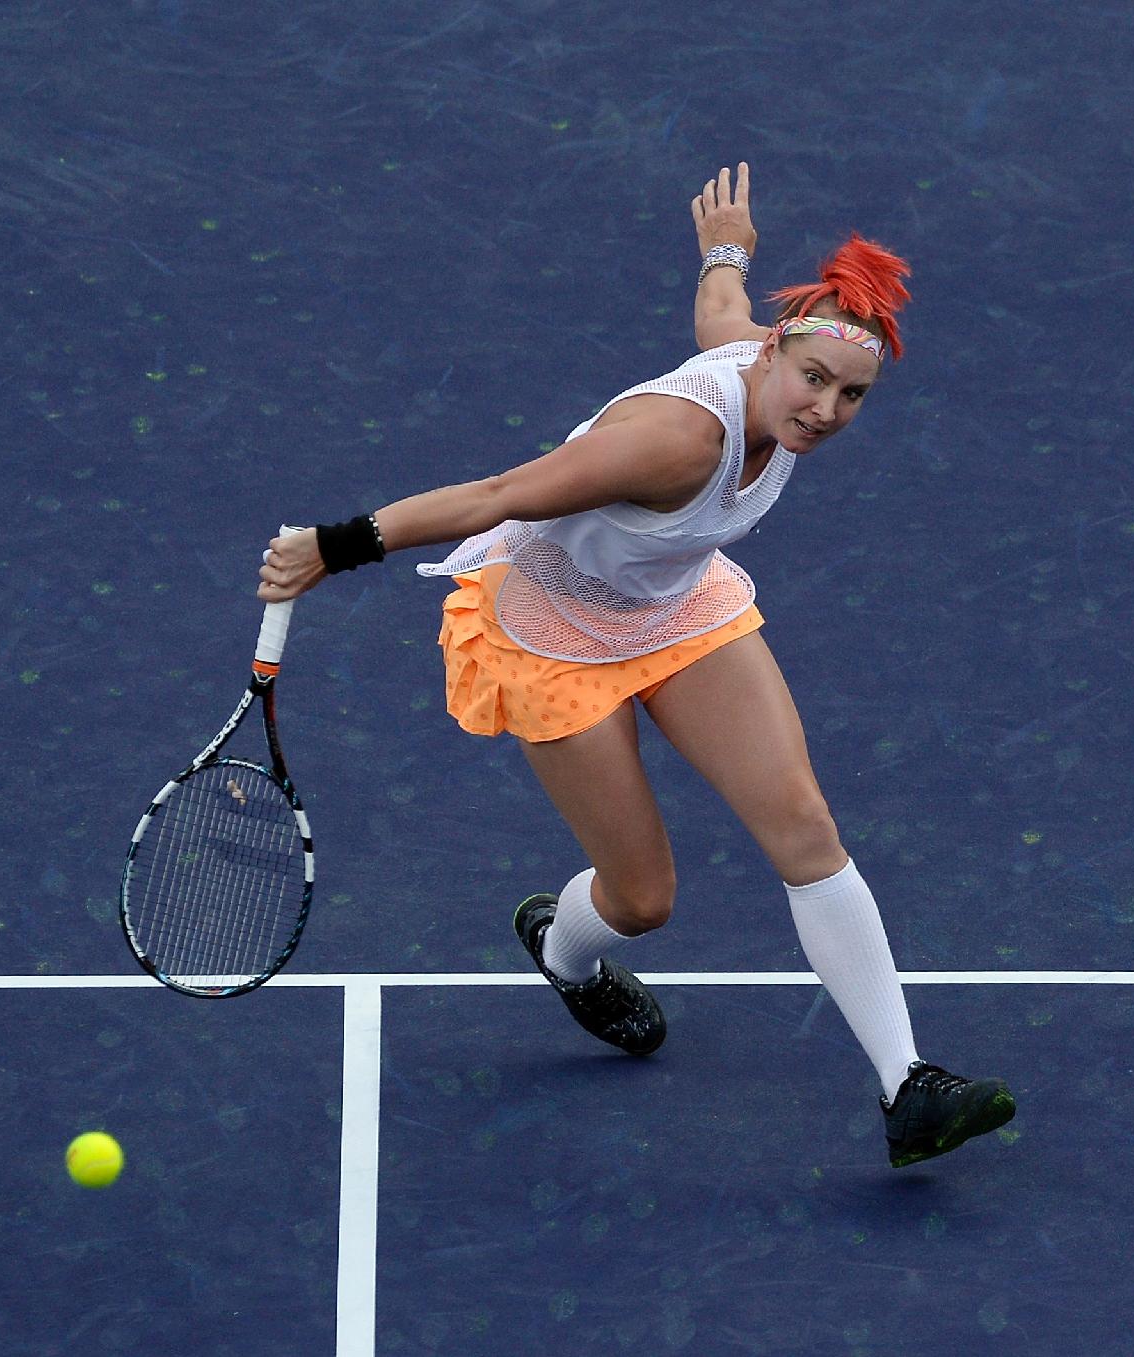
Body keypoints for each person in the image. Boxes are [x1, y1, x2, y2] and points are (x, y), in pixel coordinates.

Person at [258, 163, 1015, 1167]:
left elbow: (719, 310)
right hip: (554, 633)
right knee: (644, 899)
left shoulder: (766, 367)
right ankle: (564, 951)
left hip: (676, 610)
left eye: (852, 394)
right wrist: (333, 544)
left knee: (804, 826)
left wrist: (725, 250)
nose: (826, 409)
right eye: (814, 380)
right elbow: (497, 494)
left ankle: (907, 1083)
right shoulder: (674, 444)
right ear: (775, 360)